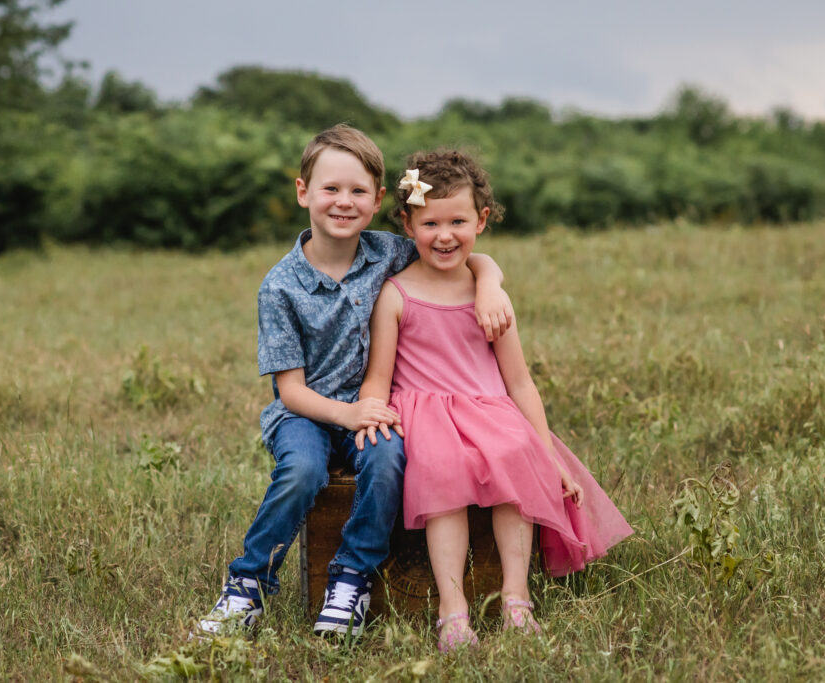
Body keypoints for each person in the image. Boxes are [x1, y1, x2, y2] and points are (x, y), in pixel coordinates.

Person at [196, 126, 513, 640]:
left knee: (388, 459)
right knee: (302, 470)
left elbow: (457, 245)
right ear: (303, 193)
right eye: (330, 189)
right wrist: (349, 414)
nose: (344, 202)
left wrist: (491, 283)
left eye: (358, 191)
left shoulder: (388, 252)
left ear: (379, 200)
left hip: (376, 407)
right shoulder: (279, 287)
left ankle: (350, 579)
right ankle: (247, 586)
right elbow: (290, 391)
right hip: (308, 413)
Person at [356, 149, 633, 653]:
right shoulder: (396, 295)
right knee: (442, 469)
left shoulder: (492, 299)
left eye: (458, 221)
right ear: (406, 222)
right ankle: (452, 609)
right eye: (430, 222)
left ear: (481, 220)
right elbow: (378, 376)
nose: (445, 235)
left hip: (490, 409)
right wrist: (369, 413)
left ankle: (516, 597)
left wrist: (548, 455)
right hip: (429, 414)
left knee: (515, 456)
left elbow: (520, 382)